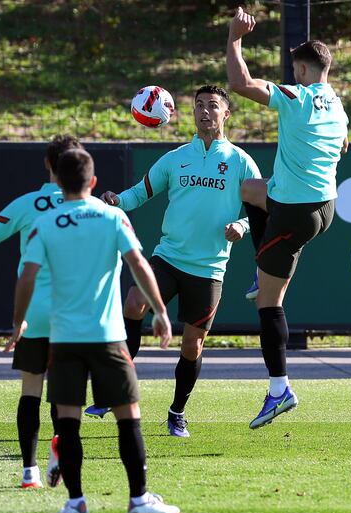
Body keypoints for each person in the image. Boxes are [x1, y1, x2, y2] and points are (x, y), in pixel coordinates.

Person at [11, 148, 180, 513]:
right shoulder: (112, 217)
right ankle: (138, 499)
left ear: (58, 179)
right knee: (128, 415)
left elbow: (27, 275)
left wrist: (17, 321)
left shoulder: (47, 222)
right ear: (93, 182)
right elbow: (138, 263)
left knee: (68, 419)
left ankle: (75, 501)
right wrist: (160, 311)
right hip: (107, 337)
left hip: (64, 339)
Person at [90, 85, 262, 437]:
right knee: (134, 304)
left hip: (209, 267)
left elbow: (258, 208)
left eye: (212, 106)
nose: (204, 111)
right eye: (199, 105)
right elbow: (140, 192)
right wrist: (115, 200)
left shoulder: (240, 161)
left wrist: (242, 226)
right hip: (168, 257)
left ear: (225, 114)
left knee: (192, 345)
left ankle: (176, 412)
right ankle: (112, 390)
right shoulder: (176, 157)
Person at [226, 7, 349, 429]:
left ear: (301, 68)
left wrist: (234, 38)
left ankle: (280, 389)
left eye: (295, 66)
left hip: (294, 212)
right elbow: (344, 145)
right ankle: (262, 269)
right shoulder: (338, 106)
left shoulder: (296, 96)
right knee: (249, 190)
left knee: (269, 303)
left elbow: (239, 83)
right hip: (322, 205)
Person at [0, 134, 82, 489]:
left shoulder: (29, 203)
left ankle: (29, 471)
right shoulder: (90, 208)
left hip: (33, 312)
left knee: (31, 390)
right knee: (64, 394)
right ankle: (59, 452)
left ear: (48, 165)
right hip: (73, 313)